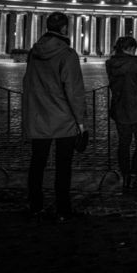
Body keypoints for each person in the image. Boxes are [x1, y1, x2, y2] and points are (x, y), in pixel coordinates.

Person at [22, 11, 86, 222]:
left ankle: (35, 205)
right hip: (63, 118)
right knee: (63, 166)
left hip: (38, 116)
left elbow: (27, 83)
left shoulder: (34, 52)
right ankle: (62, 209)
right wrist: (81, 122)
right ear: (65, 29)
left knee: (37, 163)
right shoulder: (67, 54)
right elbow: (74, 91)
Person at [106, 36, 137, 194]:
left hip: (120, 108)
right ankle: (134, 178)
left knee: (123, 144)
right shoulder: (136, 64)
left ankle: (126, 177)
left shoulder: (110, 63)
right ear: (131, 48)